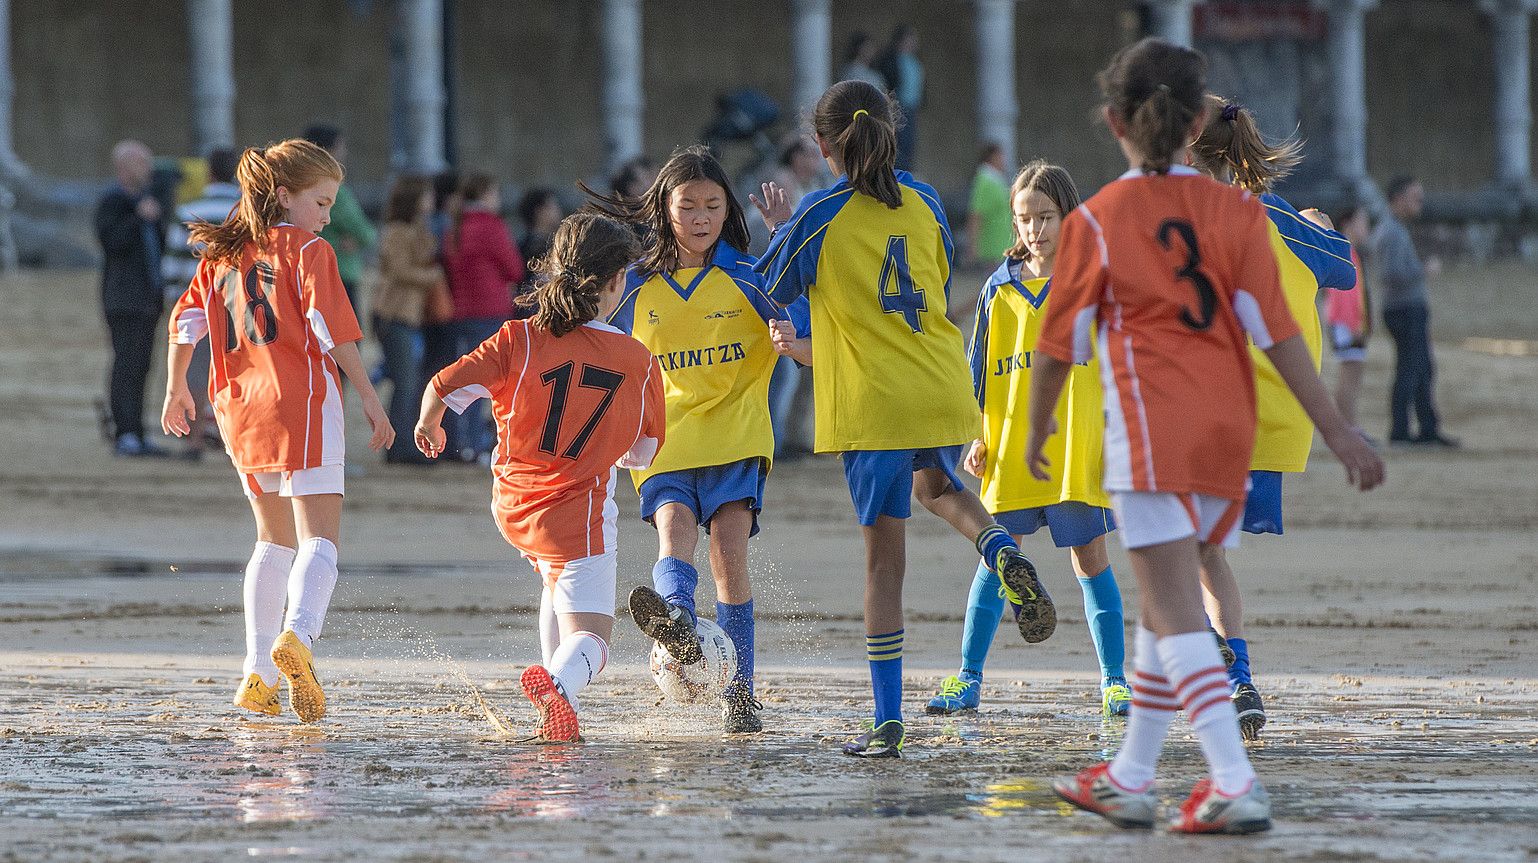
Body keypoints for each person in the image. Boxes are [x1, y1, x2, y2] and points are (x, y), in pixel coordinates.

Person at [1033, 39, 1382, 834]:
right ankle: (1130, 773)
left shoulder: (1099, 218)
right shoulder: (1239, 213)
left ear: (1115, 123)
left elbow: (1059, 344)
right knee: (1164, 613)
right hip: (1232, 436)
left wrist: (1035, 430)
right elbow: (1281, 334)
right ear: (1197, 123)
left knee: (1172, 605)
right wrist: (1338, 429)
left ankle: (1232, 779)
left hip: (1155, 431)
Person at [755, 80, 1052, 759]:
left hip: (873, 400)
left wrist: (782, 229)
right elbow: (939, 279)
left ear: (824, 147)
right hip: (941, 382)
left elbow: (767, 285)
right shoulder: (921, 199)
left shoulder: (819, 210)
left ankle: (887, 721)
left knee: (883, 568)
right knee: (940, 489)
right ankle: (1001, 547)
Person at [161, 139, 394, 723]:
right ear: (285, 197)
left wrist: (175, 387)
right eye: (321, 201)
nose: (327, 214)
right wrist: (370, 397)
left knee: (272, 540)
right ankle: (299, 639)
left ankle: (257, 673)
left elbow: (185, 321)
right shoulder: (309, 251)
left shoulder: (222, 255)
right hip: (302, 402)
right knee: (321, 539)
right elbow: (331, 328)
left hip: (238, 406)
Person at [414, 213, 665, 743]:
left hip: (515, 506)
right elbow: (643, 451)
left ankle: (556, 704)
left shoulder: (518, 338)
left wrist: (428, 424)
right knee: (595, 640)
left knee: (556, 583)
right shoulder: (637, 359)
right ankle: (559, 685)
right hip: (579, 517)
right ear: (618, 281)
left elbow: (441, 386)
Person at [584, 146, 781, 734]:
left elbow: (806, 316)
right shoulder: (635, 284)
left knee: (728, 554)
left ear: (726, 213)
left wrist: (786, 240)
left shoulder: (750, 275)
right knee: (674, 531)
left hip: (737, 436)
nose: (699, 216)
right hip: (663, 438)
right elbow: (590, 337)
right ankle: (675, 623)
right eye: (687, 204)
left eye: (712, 205)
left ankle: (738, 690)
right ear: (664, 209)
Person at [926, 160, 1130, 719]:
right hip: (1010, 440)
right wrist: (974, 431)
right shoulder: (998, 287)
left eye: (1045, 217)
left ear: (1070, 216)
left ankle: (1115, 682)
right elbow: (979, 366)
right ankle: (967, 679)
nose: (1034, 230)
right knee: (998, 561)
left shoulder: (1095, 281)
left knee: (1091, 560)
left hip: (1077, 441)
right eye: (1023, 219)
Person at [1188, 95, 1361, 741]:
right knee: (1205, 548)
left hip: (1215, 413)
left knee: (1165, 543)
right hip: (1283, 419)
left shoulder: (1194, 223)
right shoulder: (1283, 219)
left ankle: (1210, 662)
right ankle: (1238, 678)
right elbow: (1342, 268)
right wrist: (1318, 222)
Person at [162, 146, 241, 460]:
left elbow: (173, 262)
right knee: (235, 373)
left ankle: (194, 440)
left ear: (209, 173)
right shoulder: (243, 213)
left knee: (194, 373)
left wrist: (173, 299)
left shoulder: (188, 211)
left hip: (196, 300)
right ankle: (232, 438)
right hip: (238, 303)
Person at [443, 174, 526, 461]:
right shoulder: (491, 225)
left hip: (460, 310)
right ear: (486, 193)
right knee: (492, 381)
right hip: (490, 309)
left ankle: (460, 442)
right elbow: (514, 268)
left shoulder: (455, 225)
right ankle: (478, 443)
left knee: (464, 378)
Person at [96, 140, 169, 457]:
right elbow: (111, 243)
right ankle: (125, 433)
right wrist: (138, 217)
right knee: (127, 365)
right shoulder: (114, 201)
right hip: (124, 299)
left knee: (142, 366)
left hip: (147, 298)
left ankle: (136, 432)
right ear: (124, 168)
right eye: (142, 163)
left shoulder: (147, 202)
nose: (148, 170)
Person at [1374, 175, 1456, 447]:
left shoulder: (1393, 229)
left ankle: (1424, 428)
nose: (1419, 203)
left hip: (1406, 307)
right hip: (1404, 308)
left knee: (1419, 368)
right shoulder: (1391, 231)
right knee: (1412, 368)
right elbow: (1390, 274)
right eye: (1414, 197)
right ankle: (1404, 430)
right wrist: (1423, 271)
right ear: (1398, 199)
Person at [375, 175, 442, 465]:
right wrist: (432, 277)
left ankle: (400, 444)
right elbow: (400, 270)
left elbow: (425, 253)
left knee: (409, 381)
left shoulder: (414, 230)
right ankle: (399, 446)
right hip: (394, 313)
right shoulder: (397, 231)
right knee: (405, 383)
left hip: (408, 315)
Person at [764, 135, 824, 457]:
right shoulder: (782, 183)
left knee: (798, 367)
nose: (814, 161)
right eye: (808, 155)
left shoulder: (807, 186)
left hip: (795, 290)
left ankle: (792, 436)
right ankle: (778, 437)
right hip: (778, 289)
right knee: (784, 368)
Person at [301, 125, 376, 311]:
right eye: (339, 148)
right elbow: (365, 233)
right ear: (327, 152)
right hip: (339, 271)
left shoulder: (301, 185)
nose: (343, 153)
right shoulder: (335, 191)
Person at [1327, 204, 1373, 431]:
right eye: (1362, 222)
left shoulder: (1348, 251)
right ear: (1348, 224)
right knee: (1350, 375)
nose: (1366, 229)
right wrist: (1353, 324)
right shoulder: (1343, 251)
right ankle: (1348, 427)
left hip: (1349, 323)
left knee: (1352, 374)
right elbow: (1342, 295)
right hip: (1346, 324)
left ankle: (1349, 425)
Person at [876, 24, 924, 171]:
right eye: (911, 39)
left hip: (912, 108)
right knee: (899, 144)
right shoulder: (891, 59)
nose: (914, 42)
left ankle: (906, 173)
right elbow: (888, 82)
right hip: (898, 107)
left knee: (909, 145)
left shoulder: (914, 61)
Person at [965, 143, 1014, 265]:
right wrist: (972, 245)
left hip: (1002, 246)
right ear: (993, 157)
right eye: (1001, 156)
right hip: (991, 249)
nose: (1004, 160)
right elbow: (976, 214)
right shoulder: (985, 181)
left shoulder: (996, 179)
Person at [517, 187, 562, 268]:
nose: (558, 211)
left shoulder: (520, 247)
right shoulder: (529, 250)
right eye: (552, 207)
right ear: (539, 212)